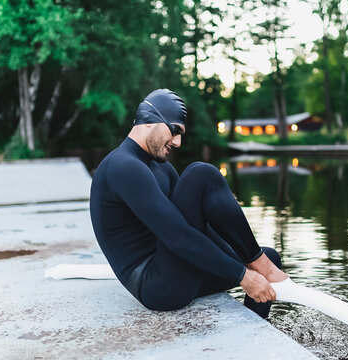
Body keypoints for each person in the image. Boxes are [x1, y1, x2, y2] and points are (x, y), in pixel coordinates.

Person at [89, 89, 287, 318]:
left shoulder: (161, 167)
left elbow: (195, 227)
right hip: (156, 286)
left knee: (269, 258)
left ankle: (255, 331)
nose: (178, 142)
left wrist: (245, 264)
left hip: (177, 268)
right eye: (174, 131)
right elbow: (179, 237)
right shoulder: (123, 166)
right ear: (148, 120)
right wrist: (242, 274)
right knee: (201, 173)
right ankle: (257, 261)